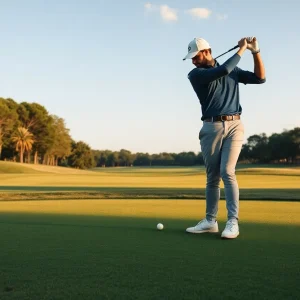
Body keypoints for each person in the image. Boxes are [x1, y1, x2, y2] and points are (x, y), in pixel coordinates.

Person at [183, 37, 266, 239]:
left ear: (207, 51)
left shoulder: (232, 70)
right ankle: (210, 221)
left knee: (227, 171)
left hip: (235, 124)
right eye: (191, 57)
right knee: (212, 177)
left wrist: (255, 52)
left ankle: (232, 222)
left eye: (195, 56)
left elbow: (260, 78)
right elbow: (223, 70)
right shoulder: (195, 74)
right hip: (211, 127)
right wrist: (242, 49)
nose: (193, 60)